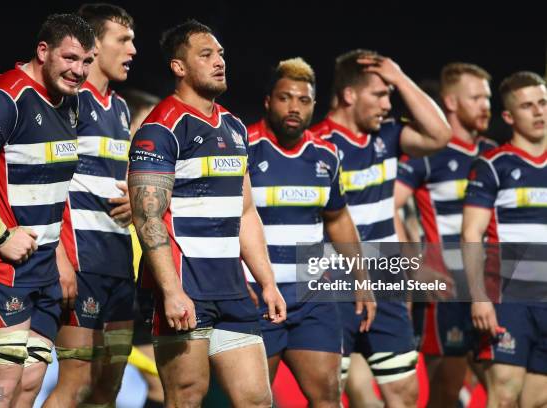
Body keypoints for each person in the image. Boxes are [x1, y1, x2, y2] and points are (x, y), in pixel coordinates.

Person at [128, 20, 286, 407]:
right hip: (185, 287)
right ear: (178, 67)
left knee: (256, 400)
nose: (219, 62)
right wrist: (170, 290)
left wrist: (266, 280)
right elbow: (147, 216)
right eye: (206, 55)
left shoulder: (233, 127)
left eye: (220, 55)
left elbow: (245, 211)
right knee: (186, 398)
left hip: (232, 288)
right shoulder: (161, 128)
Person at [0, 14, 94, 407]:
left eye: (86, 62)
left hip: (42, 268)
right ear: (43, 51)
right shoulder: (6, 96)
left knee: (27, 387)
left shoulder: (68, 104)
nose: (79, 71)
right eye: (70, 58)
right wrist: (1, 236)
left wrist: (58, 254)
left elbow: (50, 190)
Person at [311, 49, 451, 407]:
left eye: (390, 93)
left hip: (387, 280)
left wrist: (400, 78)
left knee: (403, 394)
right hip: (334, 282)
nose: (388, 103)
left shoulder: (387, 137)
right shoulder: (316, 145)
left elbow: (439, 135)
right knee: (329, 395)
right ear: (348, 95)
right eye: (380, 93)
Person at [246, 57, 375, 407]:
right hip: (257, 294)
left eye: (303, 101)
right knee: (255, 401)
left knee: (328, 396)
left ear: (314, 106)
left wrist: (362, 279)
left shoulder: (326, 155)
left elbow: (337, 219)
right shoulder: (243, 146)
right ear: (268, 101)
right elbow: (227, 219)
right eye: (286, 98)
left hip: (313, 295)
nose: (294, 108)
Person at [42, 4, 136, 408]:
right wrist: (59, 257)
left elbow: (122, 175)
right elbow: (43, 185)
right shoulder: (66, 103)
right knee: (76, 383)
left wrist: (138, 197)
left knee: (107, 387)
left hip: (119, 264)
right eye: (124, 40)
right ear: (94, 45)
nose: (133, 50)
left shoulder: (121, 109)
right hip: (81, 265)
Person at [394, 62, 496, 408]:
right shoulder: (428, 154)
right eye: (477, 97)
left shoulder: (494, 155)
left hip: (491, 283)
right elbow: (388, 207)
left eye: (488, 97)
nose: (486, 105)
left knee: (508, 387)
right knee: (446, 390)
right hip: (446, 288)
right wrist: (415, 267)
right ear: (450, 102)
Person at [462, 71, 547, 408]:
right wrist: (478, 297)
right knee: (504, 397)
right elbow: (470, 233)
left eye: (543, 103)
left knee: (535, 402)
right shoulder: (493, 166)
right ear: (510, 117)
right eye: (528, 106)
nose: (539, 112)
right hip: (509, 300)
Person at [119, 88, 165, 408]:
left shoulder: (161, 179)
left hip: (150, 287)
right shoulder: (106, 180)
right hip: (114, 288)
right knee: (88, 384)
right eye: (147, 124)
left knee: (164, 387)